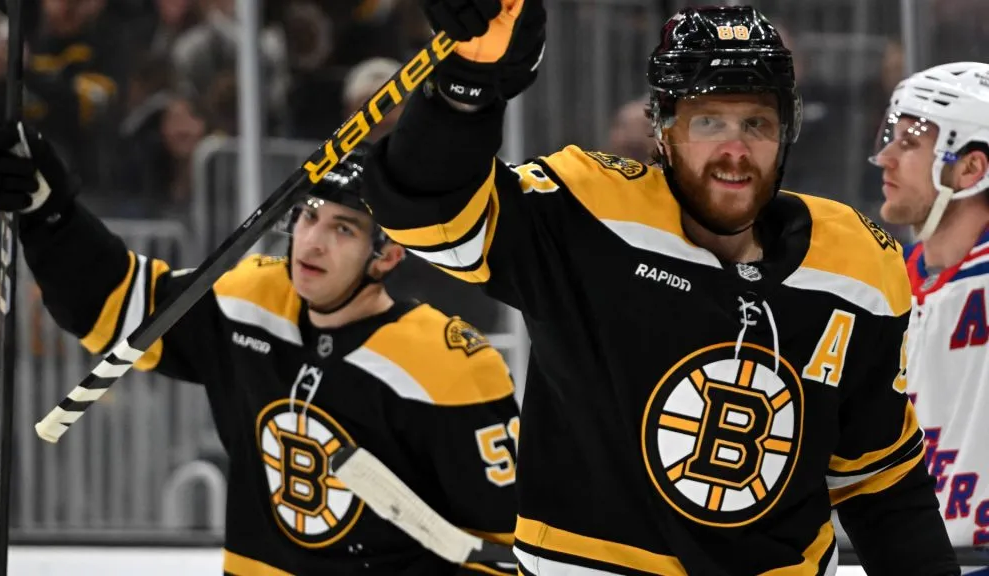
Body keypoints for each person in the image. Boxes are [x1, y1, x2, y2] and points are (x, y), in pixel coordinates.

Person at [358, 2, 960, 575]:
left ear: (788, 130)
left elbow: (880, 484)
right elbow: (427, 213)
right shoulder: (589, 217)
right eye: (708, 121)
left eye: (757, 122)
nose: (735, 148)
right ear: (662, 131)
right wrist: (466, 89)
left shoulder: (858, 267)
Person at [0, 128, 520, 575]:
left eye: (344, 229)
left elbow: (502, 549)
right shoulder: (251, 299)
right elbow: (119, 307)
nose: (312, 242)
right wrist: (50, 214)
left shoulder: (449, 367)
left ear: (388, 256)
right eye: (308, 216)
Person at [872, 61, 989, 569]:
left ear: (970, 169)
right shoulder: (884, 283)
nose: (884, 158)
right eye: (890, 138)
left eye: (909, 143)